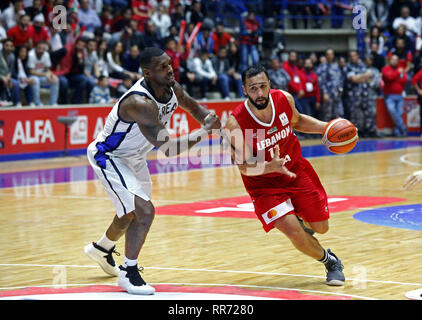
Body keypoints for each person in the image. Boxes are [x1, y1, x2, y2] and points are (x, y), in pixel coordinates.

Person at [84, 47, 221, 295]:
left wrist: (221, 129)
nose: (170, 70)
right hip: (110, 156)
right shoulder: (139, 103)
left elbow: (195, 109)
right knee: (143, 211)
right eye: (162, 67)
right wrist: (204, 132)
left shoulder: (172, 88)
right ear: (147, 72)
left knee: (128, 214)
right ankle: (129, 273)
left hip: (135, 158)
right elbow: (168, 148)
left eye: (169, 64)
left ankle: (101, 249)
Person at [224, 64, 345, 286]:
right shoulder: (235, 123)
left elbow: (297, 121)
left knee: (321, 227)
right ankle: (331, 262)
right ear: (244, 90)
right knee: (294, 232)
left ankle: (298, 216)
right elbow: (243, 166)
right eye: (253, 88)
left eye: (262, 86)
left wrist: (327, 128)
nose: (259, 93)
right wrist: (270, 167)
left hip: (295, 171)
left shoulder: (284, 99)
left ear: (270, 84)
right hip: (264, 185)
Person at [344, 50, 377, 137]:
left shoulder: (363, 65)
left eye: (354, 55)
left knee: (370, 113)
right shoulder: (347, 67)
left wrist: (359, 77)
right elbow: (354, 79)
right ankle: (358, 132)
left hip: (365, 94)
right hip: (354, 96)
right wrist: (363, 76)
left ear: (358, 56)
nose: (353, 57)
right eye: (351, 56)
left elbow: (370, 75)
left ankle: (370, 131)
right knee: (356, 115)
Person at [381, 54, 408, 137]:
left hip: (399, 95)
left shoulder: (401, 69)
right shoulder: (385, 69)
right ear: (389, 60)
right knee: (393, 112)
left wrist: (394, 77)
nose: (394, 61)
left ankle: (398, 133)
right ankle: (403, 128)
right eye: (393, 59)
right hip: (389, 96)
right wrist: (397, 74)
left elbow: (404, 80)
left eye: (396, 60)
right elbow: (388, 78)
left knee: (399, 114)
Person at [315, 48, 344, 122]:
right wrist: (324, 93)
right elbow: (320, 81)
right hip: (327, 95)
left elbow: (340, 78)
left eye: (331, 54)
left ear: (333, 55)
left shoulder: (336, 66)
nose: (330, 56)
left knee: (339, 114)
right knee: (326, 115)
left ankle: (339, 133)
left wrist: (341, 89)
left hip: (336, 94)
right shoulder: (322, 67)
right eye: (328, 54)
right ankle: (325, 133)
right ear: (325, 56)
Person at [27, 40, 59, 106]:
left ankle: (53, 103)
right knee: (36, 80)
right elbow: (31, 71)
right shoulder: (31, 54)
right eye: (39, 48)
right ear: (35, 48)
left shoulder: (46, 54)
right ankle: (37, 102)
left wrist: (52, 75)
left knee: (55, 80)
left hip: (41, 76)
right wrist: (45, 74)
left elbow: (47, 69)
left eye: (43, 49)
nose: (41, 50)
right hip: (31, 76)